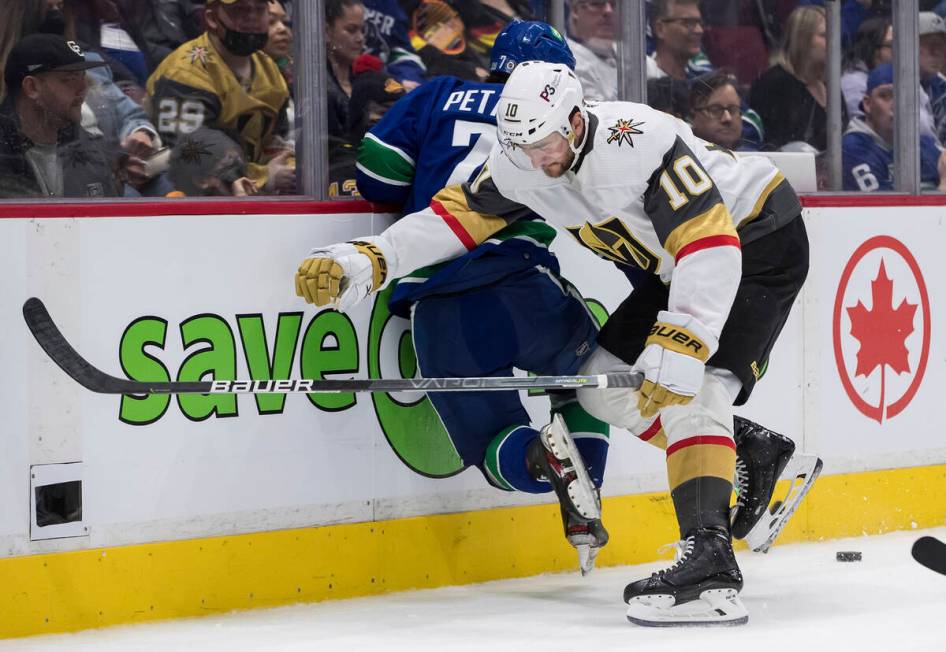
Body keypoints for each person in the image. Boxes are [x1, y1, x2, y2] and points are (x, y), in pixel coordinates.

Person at [296, 60, 823, 625]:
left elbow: (709, 239)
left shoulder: (637, 139)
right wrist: (371, 258)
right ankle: (747, 449)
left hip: (755, 238)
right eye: (520, 146)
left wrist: (686, 334)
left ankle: (710, 563)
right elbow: (453, 219)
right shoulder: (520, 162)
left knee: (695, 392)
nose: (536, 161)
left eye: (545, 143)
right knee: (603, 389)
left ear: (575, 121)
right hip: (675, 266)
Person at [353, 20, 610, 574]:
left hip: (440, 304)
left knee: (495, 442)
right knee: (588, 381)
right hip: (524, 285)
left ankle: (544, 462)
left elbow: (377, 177)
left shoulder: (439, 93)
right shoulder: (564, 127)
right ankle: (586, 494)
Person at [146, 0, 295, 195]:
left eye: (259, 10)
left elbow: (277, 138)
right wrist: (265, 176)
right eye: (239, 10)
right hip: (183, 191)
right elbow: (193, 154)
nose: (251, 18)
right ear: (212, 18)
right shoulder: (185, 73)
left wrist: (288, 164)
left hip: (248, 191)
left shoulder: (268, 69)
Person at [0, 33, 122, 197]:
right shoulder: (5, 150)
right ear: (32, 88)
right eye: (69, 79)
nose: (83, 89)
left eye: (83, 77)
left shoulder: (87, 149)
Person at [749, 4, 847, 152]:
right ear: (802, 39)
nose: (834, 42)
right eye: (825, 35)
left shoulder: (831, 86)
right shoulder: (775, 85)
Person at [843, 62, 946, 192]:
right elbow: (884, 210)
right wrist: (943, 188)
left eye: (904, 97)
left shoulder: (923, 144)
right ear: (867, 104)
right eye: (885, 96)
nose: (896, 105)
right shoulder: (853, 149)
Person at [326, 0, 366, 138]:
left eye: (362, 30)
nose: (360, 38)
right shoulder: (317, 85)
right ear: (327, 31)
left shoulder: (366, 79)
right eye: (351, 30)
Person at [566, 0, 617, 101]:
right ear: (576, 11)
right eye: (596, 4)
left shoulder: (634, 55)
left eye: (613, 4)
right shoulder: (568, 61)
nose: (609, 11)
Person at [646, 0, 709, 82]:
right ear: (660, 29)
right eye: (688, 23)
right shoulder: (642, 78)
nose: (699, 30)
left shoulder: (702, 81)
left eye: (700, 23)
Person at [689, 70, 752, 151]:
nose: (727, 118)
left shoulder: (753, 159)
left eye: (733, 109)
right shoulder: (676, 158)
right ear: (693, 116)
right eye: (715, 110)